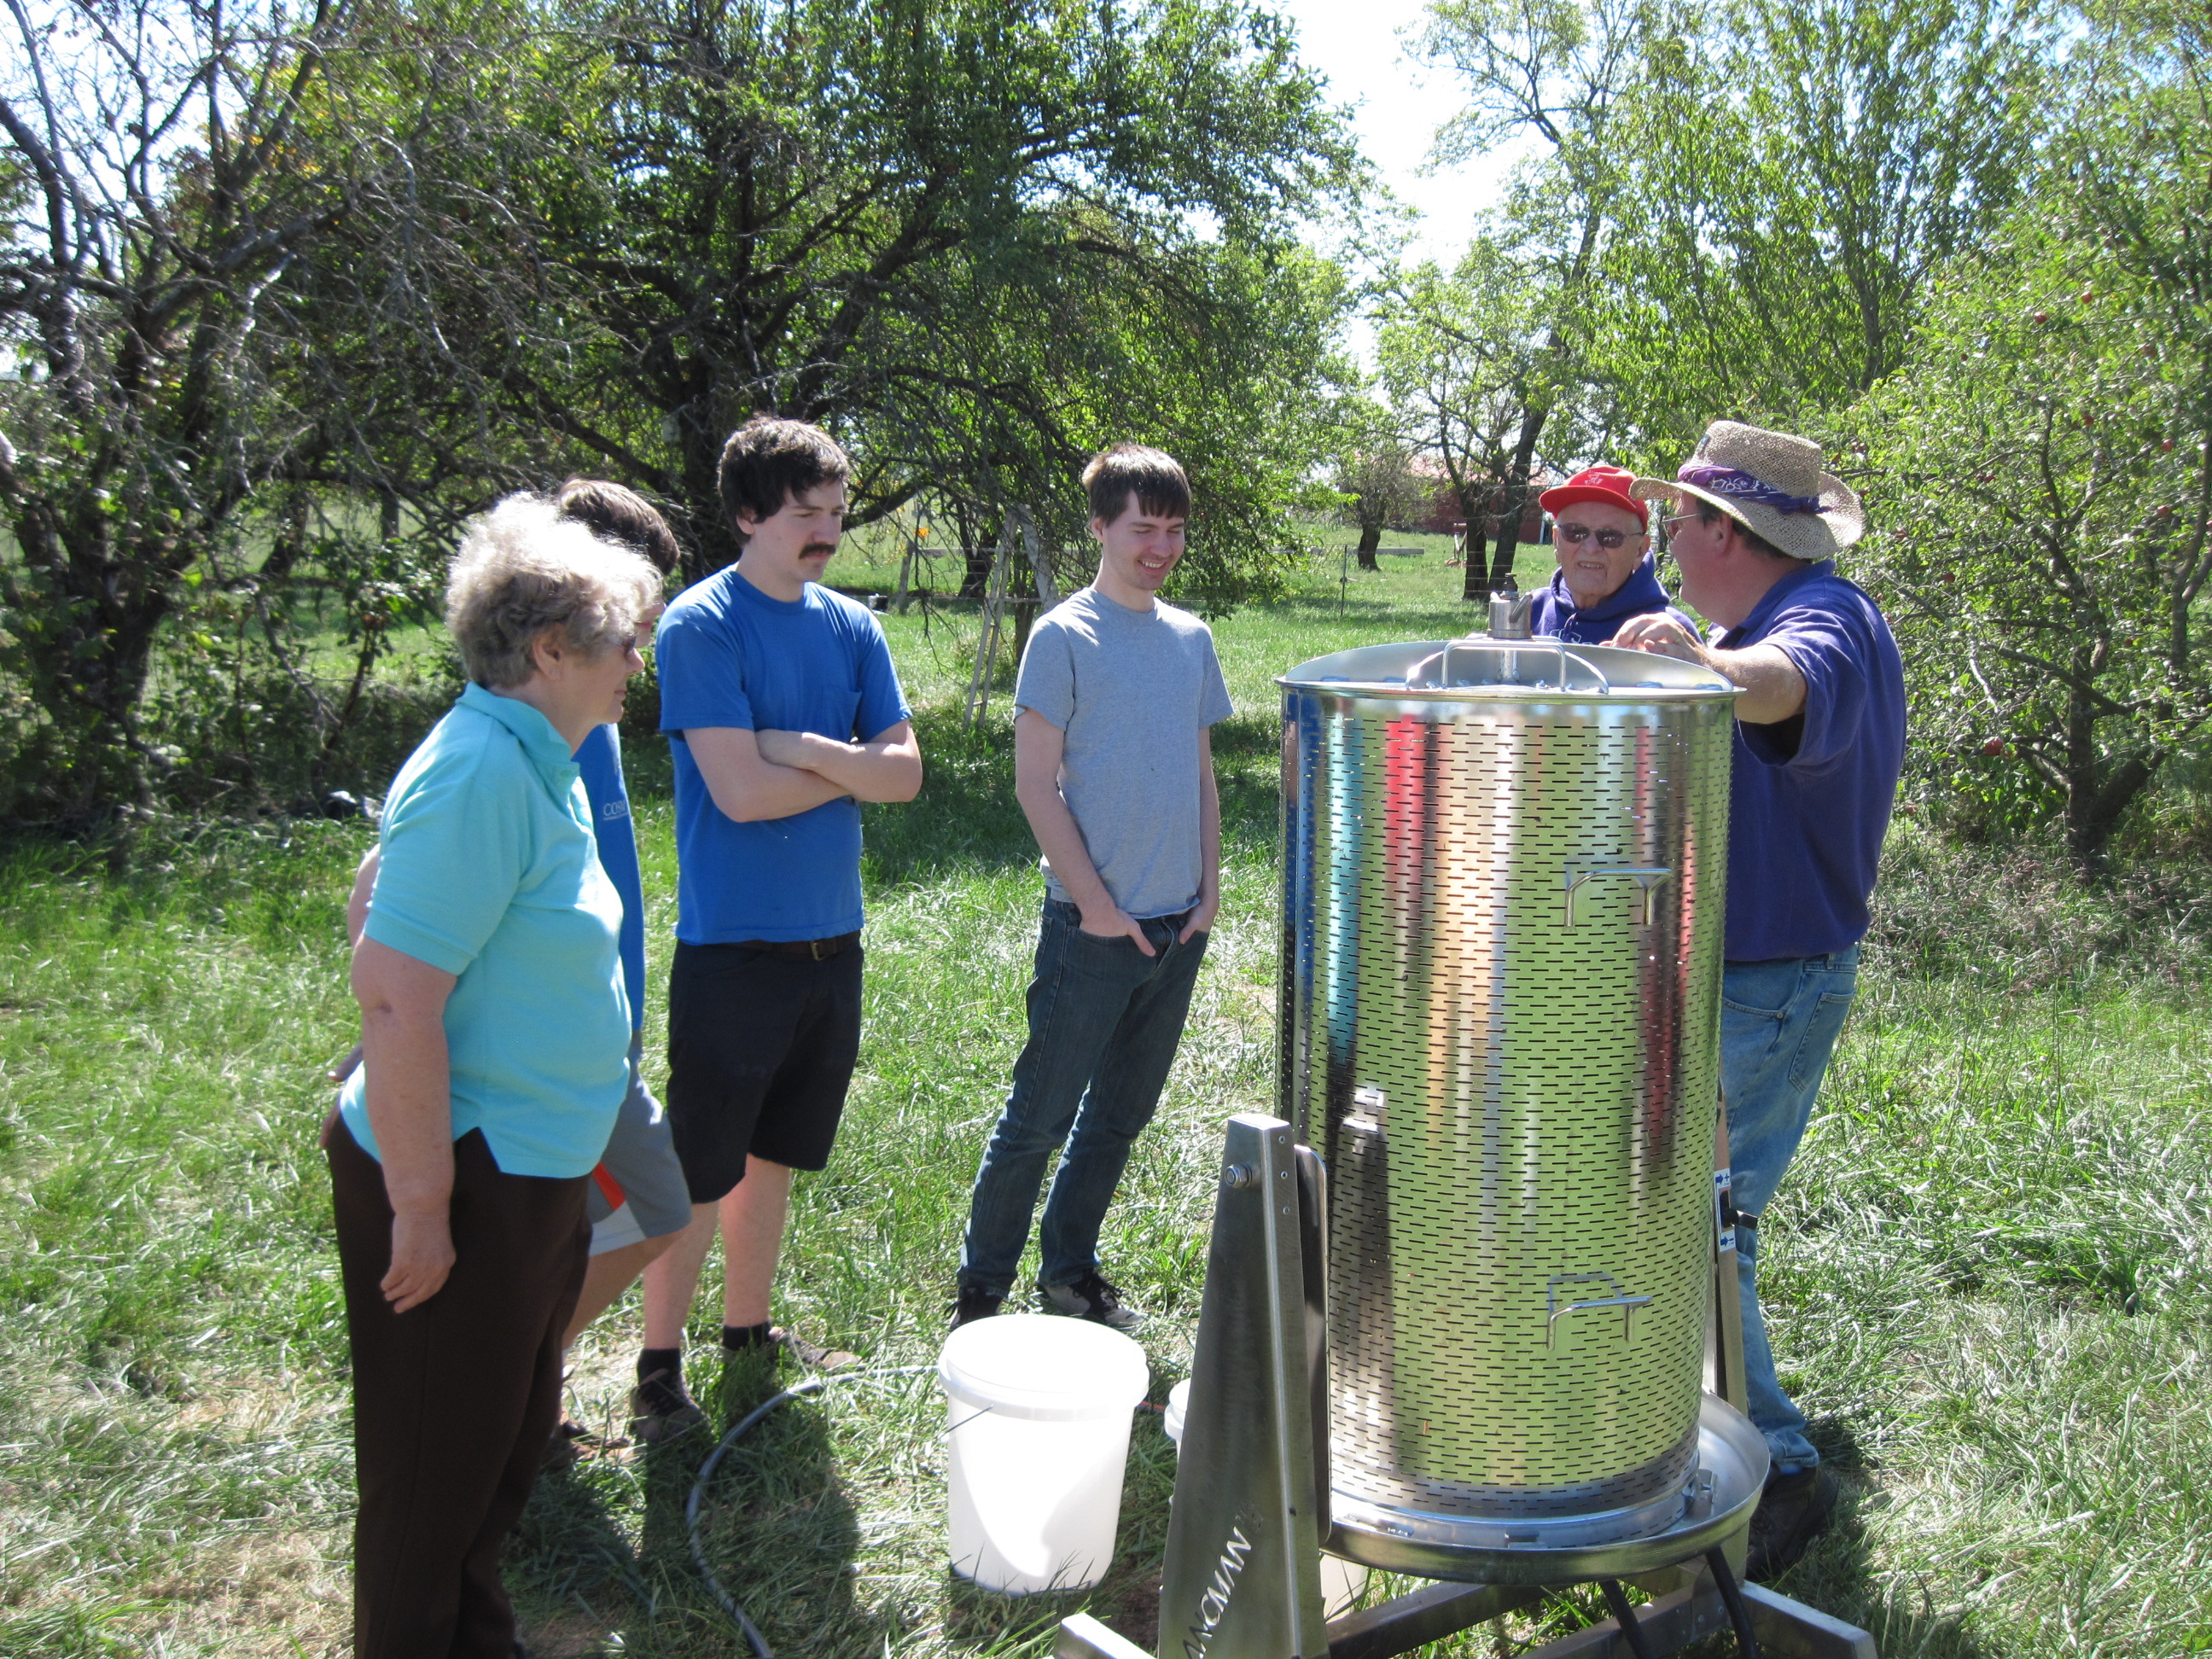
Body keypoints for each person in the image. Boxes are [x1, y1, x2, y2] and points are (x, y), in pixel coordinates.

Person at [327, 493, 660, 1658]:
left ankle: (474, 1633)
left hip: (531, 1166)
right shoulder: (480, 771)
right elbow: (395, 998)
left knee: (501, 1444)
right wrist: (421, 1211)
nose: (636, 661)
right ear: (548, 651)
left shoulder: (538, 753)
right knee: (432, 1475)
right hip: (462, 1175)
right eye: (621, 640)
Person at [1615, 420, 1906, 1580]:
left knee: (1698, 1224)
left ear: (1731, 534)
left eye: (1679, 518)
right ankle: (1693, 1420)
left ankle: (1780, 1465)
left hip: (1769, 985)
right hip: (1728, 974)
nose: (1665, 536)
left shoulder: (1822, 622)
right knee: (1677, 1213)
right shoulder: (1749, 617)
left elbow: (1789, 688)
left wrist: (1706, 666)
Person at [631, 416, 921, 1438]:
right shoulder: (700, 626)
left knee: (774, 1158)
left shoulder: (852, 627)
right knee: (701, 1168)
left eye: (837, 515)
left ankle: (746, 1334)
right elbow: (740, 798)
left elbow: (907, 776)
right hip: (733, 952)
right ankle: (657, 1370)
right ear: (749, 513)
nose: (827, 534)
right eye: (806, 515)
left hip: (830, 945)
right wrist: (849, 766)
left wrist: (802, 746)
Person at [953, 444, 1231, 1331]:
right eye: (1142, 528)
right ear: (1100, 526)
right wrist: (1099, 907)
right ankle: (982, 1296)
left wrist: (1209, 893)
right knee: (1040, 1115)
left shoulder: (1191, 639)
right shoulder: (1064, 636)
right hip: (1092, 926)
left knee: (1118, 1118)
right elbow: (1035, 785)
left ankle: (1069, 1272)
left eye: (1175, 530)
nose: (1159, 547)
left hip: (1176, 926)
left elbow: (1202, 775)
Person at [1527, 463, 1698, 644]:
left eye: (1610, 536)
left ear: (1640, 550)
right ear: (1556, 540)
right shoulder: (1528, 612)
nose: (1591, 548)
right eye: (1575, 532)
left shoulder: (1669, 634)